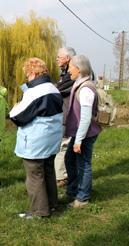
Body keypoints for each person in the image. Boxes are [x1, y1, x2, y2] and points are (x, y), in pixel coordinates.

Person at [9, 58, 63, 219]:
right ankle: (52, 205)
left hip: (36, 141)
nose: (27, 78)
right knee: (48, 172)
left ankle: (39, 211)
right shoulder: (53, 89)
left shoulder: (35, 92)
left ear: (33, 73)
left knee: (34, 175)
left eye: (27, 74)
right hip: (52, 138)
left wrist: (16, 106)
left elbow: (17, 116)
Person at [65, 55, 101, 208]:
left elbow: (85, 118)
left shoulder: (86, 89)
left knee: (83, 164)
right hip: (80, 133)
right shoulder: (80, 84)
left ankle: (82, 198)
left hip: (85, 133)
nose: (68, 71)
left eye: (70, 67)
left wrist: (78, 140)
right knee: (69, 159)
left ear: (78, 69)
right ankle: (73, 191)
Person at [55, 47, 76, 188]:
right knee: (63, 145)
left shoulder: (71, 73)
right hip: (65, 113)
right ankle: (63, 174)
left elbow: (59, 89)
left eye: (59, 57)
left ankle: (61, 177)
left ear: (67, 58)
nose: (57, 59)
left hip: (68, 115)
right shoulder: (66, 72)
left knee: (64, 145)